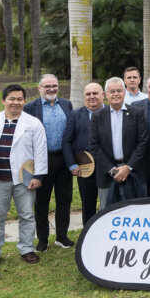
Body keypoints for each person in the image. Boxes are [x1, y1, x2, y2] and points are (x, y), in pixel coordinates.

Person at [0, 85, 48, 265]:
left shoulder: (33, 123)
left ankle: (26, 248)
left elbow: (40, 151)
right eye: (12, 98)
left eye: (19, 99)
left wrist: (38, 176)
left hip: (24, 179)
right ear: (3, 100)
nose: (16, 102)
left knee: (26, 215)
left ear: (24, 101)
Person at [23, 74, 75, 251]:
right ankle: (43, 239)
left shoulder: (66, 104)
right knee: (41, 201)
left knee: (64, 199)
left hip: (64, 160)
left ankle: (62, 236)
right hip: (42, 161)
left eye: (54, 86)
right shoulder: (30, 108)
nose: (51, 89)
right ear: (39, 88)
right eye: (47, 86)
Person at [89, 77, 149, 210]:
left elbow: (143, 141)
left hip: (134, 171)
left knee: (137, 212)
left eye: (119, 90)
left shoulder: (136, 113)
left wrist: (128, 167)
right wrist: (112, 170)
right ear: (105, 94)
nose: (116, 94)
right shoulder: (98, 116)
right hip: (107, 174)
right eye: (112, 91)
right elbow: (94, 145)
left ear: (124, 92)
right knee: (107, 213)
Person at [62, 82, 105, 226]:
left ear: (103, 95)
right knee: (88, 204)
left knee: (109, 203)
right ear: (84, 97)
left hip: (108, 167)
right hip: (85, 168)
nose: (92, 97)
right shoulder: (75, 115)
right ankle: (89, 232)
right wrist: (72, 165)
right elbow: (67, 141)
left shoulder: (112, 112)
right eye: (88, 94)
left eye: (95, 93)